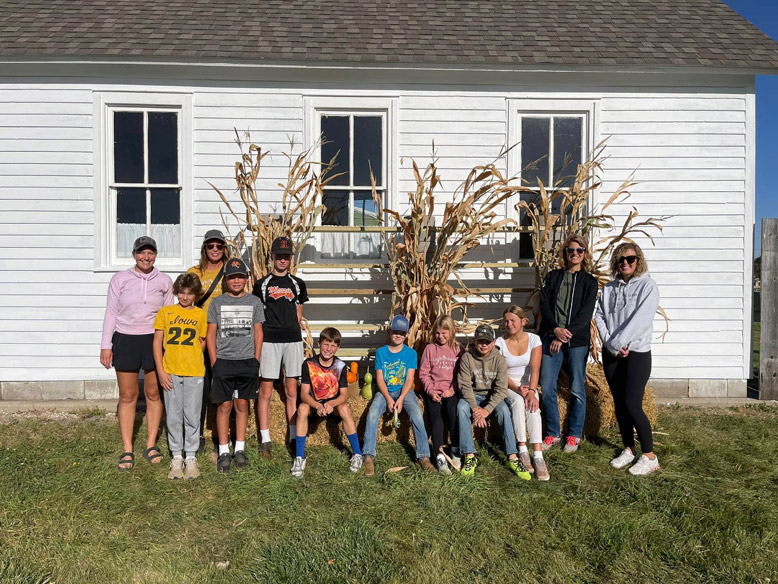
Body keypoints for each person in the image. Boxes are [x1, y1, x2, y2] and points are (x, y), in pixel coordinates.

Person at [100, 236, 173, 471]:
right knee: (128, 396)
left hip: (153, 340)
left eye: (150, 252)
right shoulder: (120, 279)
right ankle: (127, 448)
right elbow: (111, 312)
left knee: (153, 394)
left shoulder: (164, 280)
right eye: (142, 252)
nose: (146, 257)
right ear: (133, 255)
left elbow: (168, 315)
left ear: (155, 255)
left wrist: (169, 347)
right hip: (125, 339)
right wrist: (105, 345)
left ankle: (151, 444)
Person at [595, 242, 661, 476]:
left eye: (630, 259)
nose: (625, 263)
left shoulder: (647, 287)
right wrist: (611, 344)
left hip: (636, 353)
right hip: (612, 352)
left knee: (633, 403)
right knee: (619, 403)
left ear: (638, 260)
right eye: (621, 259)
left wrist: (621, 343)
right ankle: (629, 449)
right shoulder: (610, 288)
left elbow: (641, 320)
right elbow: (600, 315)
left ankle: (650, 456)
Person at [538, 234, 598, 453]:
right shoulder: (553, 277)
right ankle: (552, 433)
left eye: (579, 250)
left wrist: (566, 334)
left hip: (577, 341)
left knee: (576, 388)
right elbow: (543, 305)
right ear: (565, 254)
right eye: (571, 250)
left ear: (584, 254)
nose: (575, 254)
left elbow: (585, 314)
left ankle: (573, 435)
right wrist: (555, 330)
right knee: (546, 387)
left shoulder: (590, 282)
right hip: (551, 335)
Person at [207, 257, 265, 473]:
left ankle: (239, 448)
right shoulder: (217, 303)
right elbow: (211, 333)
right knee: (224, 406)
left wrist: (256, 358)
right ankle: (223, 450)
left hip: (247, 361)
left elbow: (258, 331)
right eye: (232, 277)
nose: (236, 280)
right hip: (224, 361)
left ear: (247, 279)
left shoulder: (254, 302)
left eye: (240, 276)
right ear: (226, 280)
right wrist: (215, 362)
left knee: (242, 405)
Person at [253, 236, 309, 459]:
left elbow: (298, 314)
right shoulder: (262, 284)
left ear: (291, 258)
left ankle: (294, 436)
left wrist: (292, 331)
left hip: (292, 340)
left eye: (286, 256)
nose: (283, 260)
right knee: (265, 390)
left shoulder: (297, 283)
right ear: (272, 257)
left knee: (291, 390)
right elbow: (258, 316)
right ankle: (265, 438)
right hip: (269, 340)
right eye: (279, 256)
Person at [362, 315, 434, 476]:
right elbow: (380, 378)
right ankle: (368, 455)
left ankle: (424, 456)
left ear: (407, 334)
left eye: (402, 333)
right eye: (395, 332)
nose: (398, 335)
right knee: (373, 413)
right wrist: (388, 398)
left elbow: (409, 379)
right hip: (385, 391)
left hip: (404, 391)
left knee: (416, 413)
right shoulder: (381, 353)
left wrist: (401, 398)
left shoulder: (411, 354)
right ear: (389, 332)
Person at [153, 273, 208, 480]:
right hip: (171, 371)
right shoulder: (166, 312)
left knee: (192, 414)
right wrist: (161, 370)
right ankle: (177, 456)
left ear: (195, 294)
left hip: (194, 371)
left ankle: (191, 456)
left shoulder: (201, 315)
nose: (185, 297)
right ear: (176, 292)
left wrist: (191, 358)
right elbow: (157, 342)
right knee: (174, 415)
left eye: (189, 293)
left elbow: (202, 342)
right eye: (182, 293)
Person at [457, 324, 530, 479]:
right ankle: (470, 456)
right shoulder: (467, 358)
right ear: (474, 341)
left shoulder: (499, 359)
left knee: (504, 411)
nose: (483, 345)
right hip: (473, 396)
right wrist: (476, 409)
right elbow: (465, 386)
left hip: (492, 396)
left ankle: (512, 457)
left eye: (487, 341)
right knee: (461, 408)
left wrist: (486, 410)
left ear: (493, 342)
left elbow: (501, 390)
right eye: (480, 341)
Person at [291, 327, 363, 478]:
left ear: (338, 347)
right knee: (302, 408)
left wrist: (331, 404)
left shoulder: (340, 366)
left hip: (333, 406)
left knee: (344, 408)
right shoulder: (309, 364)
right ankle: (299, 457)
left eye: (333, 346)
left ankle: (357, 453)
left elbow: (344, 395)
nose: (328, 349)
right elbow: (304, 394)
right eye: (326, 344)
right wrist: (317, 405)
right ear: (319, 344)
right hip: (314, 404)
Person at [187, 229, 231, 454]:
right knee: (201, 387)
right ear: (204, 248)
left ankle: (222, 433)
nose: (215, 250)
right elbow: (187, 302)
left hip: (226, 337)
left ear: (225, 248)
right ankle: (199, 433)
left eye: (219, 246)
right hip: (200, 337)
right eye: (210, 246)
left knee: (222, 386)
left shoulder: (231, 271)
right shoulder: (194, 272)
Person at [496, 305, 549, 481]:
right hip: (509, 386)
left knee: (533, 406)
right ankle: (523, 450)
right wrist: (517, 389)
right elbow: (500, 373)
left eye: (513, 321)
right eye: (506, 321)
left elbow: (535, 368)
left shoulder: (534, 340)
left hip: (529, 385)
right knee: (518, 403)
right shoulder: (499, 343)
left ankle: (538, 455)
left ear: (523, 321)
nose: (509, 324)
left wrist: (532, 391)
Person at [419, 315, 463, 475]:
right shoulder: (430, 349)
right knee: (436, 419)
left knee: (453, 413)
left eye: (444, 333)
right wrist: (430, 391)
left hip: (451, 390)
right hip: (434, 391)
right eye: (437, 333)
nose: (441, 336)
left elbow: (462, 374)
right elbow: (424, 373)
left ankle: (455, 450)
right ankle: (440, 455)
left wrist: (453, 389)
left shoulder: (458, 349)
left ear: (452, 332)